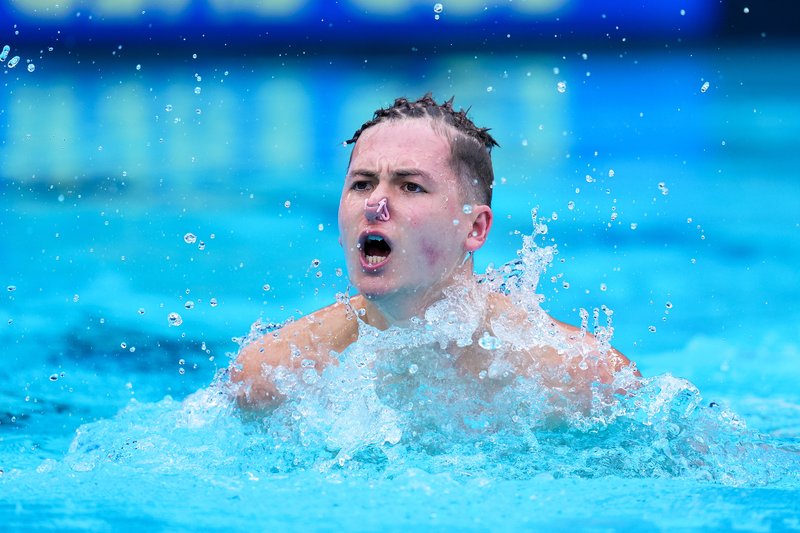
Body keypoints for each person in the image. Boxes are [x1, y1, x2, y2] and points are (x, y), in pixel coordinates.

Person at [232, 94, 636, 409]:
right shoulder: (274, 374)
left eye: (410, 186)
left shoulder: (578, 376)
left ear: (475, 228)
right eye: (361, 184)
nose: (375, 204)